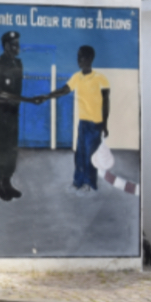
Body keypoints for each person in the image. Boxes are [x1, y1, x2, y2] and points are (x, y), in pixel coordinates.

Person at [41, 46, 110, 195]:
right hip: (83, 123)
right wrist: (46, 96)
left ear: (90, 59)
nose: (78, 60)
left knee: (91, 156)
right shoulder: (76, 77)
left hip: (95, 124)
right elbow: (63, 90)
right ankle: (78, 182)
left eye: (81, 57)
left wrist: (105, 125)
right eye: (78, 57)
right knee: (79, 155)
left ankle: (90, 183)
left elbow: (106, 104)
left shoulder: (101, 79)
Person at [0, 32, 41, 201]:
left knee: (12, 149)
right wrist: (28, 100)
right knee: (1, 148)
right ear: (6, 46)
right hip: (0, 115)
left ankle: (7, 182)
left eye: (18, 44)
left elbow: (16, 91)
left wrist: (23, 100)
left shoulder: (18, 64)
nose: (18, 47)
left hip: (13, 114)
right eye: (14, 44)